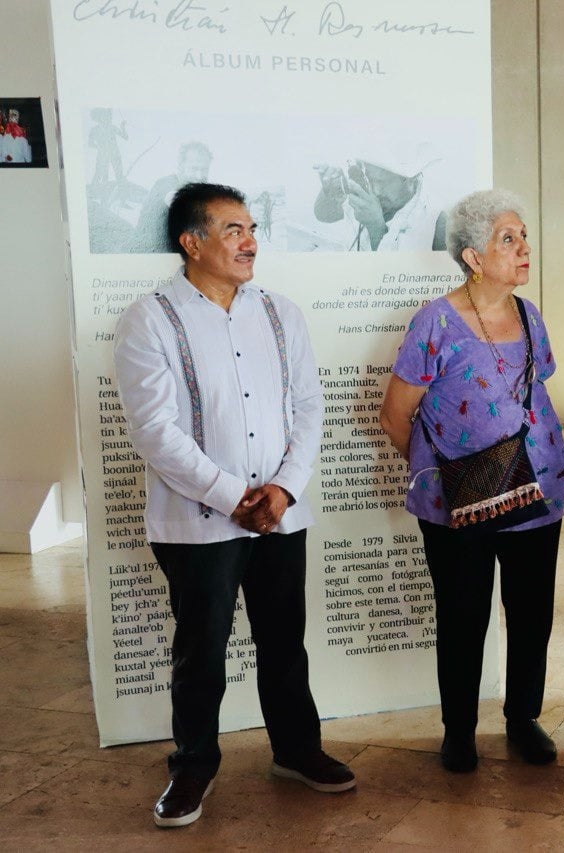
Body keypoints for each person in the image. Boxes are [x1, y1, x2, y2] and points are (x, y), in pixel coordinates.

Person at [113, 183, 354, 829]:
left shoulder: (281, 312)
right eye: (231, 229)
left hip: (280, 511)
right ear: (191, 243)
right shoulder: (149, 318)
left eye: (251, 227)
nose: (250, 241)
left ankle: (297, 750)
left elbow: (308, 405)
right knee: (202, 649)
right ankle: (192, 766)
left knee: (284, 641)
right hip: (197, 522)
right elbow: (154, 430)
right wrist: (231, 497)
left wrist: (282, 488)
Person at [378, 189, 564, 774]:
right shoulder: (435, 321)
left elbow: (536, 390)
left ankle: (522, 718)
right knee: (463, 617)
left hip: (539, 492)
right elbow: (394, 414)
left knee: (532, 611)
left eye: (523, 236)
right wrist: (442, 474)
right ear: (472, 257)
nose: (523, 248)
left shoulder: (529, 314)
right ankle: (458, 730)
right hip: (458, 503)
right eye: (507, 239)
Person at [312, 157, 448, 252]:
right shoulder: (365, 186)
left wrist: (376, 228)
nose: (374, 190)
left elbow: (402, 284)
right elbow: (323, 214)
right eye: (370, 179)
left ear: (410, 180)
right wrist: (331, 191)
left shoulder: (439, 223)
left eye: (381, 182)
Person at [132, 141, 213, 252]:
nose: (199, 176)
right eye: (194, 169)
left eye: (204, 170)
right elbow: (176, 201)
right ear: (181, 167)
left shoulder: (197, 193)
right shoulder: (166, 184)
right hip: (146, 255)